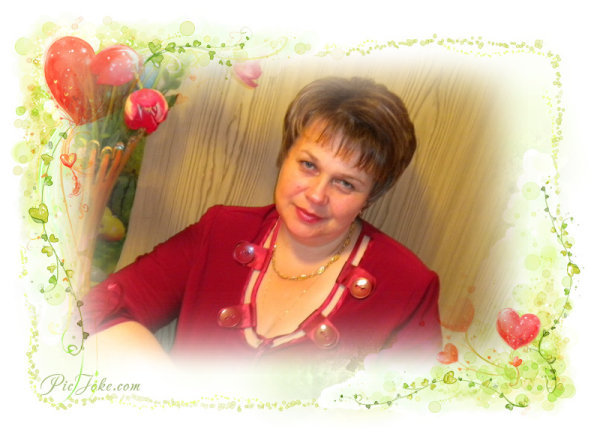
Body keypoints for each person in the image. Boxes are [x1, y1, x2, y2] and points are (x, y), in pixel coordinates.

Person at [82, 76, 441, 377]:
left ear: (371, 196)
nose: (316, 195)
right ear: (285, 156)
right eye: (309, 165)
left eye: (345, 183)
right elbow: (92, 312)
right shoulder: (220, 231)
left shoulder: (408, 287)